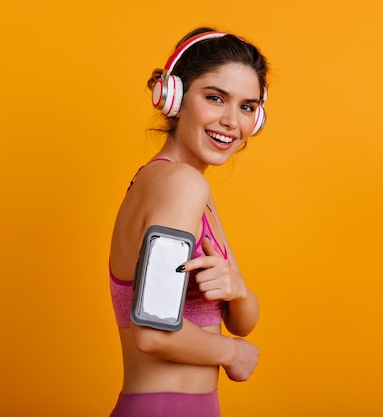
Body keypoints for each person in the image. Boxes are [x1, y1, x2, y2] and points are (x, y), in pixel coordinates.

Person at [108, 27, 269, 417]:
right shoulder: (181, 184)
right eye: (215, 98)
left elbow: (242, 320)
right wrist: (232, 353)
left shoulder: (188, 188)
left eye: (247, 106)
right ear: (174, 98)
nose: (231, 121)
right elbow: (152, 332)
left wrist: (237, 289)